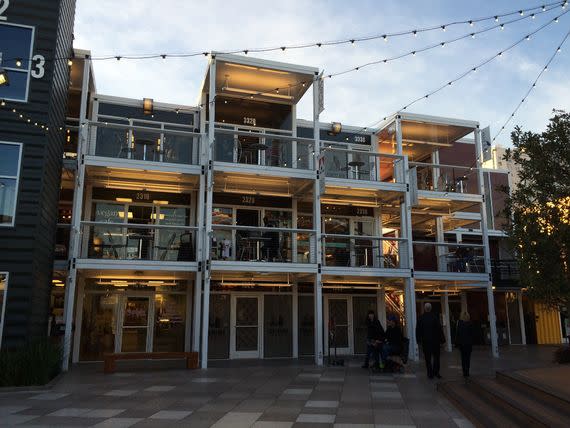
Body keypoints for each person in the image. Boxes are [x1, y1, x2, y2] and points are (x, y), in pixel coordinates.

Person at [416, 302, 445, 379]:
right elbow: (439, 329)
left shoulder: (421, 318)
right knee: (436, 357)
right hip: (435, 341)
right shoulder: (435, 317)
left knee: (427, 358)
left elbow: (418, 330)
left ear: (425, 309)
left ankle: (430, 373)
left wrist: (418, 340)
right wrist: (442, 340)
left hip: (426, 341)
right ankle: (436, 372)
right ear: (430, 308)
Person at [455, 311, 474, 378]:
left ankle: (464, 372)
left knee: (463, 358)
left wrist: (457, 344)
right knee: (468, 358)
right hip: (468, 344)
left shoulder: (460, 324)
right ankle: (467, 372)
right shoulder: (470, 324)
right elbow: (472, 334)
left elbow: (458, 334)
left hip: (462, 344)